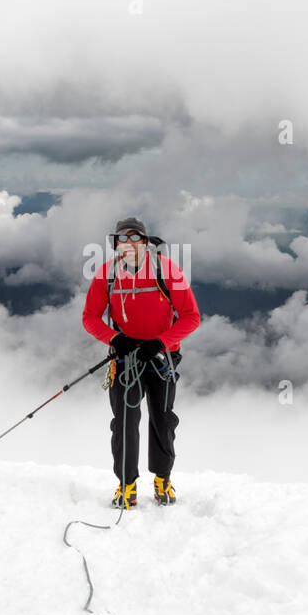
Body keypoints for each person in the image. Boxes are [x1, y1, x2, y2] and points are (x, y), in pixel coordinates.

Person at [82, 217, 201, 508]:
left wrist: (160, 342)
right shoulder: (106, 275)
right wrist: (114, 339)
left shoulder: (166, 271)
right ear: (116, 244)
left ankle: (162, 479)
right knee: (124, 422)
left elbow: (191, 317)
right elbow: (90, 318)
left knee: (163, 419)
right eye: (124, 239)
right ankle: (127, 485)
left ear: (146, 243)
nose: (131, 244)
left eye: (137, 238)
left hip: (163, 358)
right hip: (126, 359)